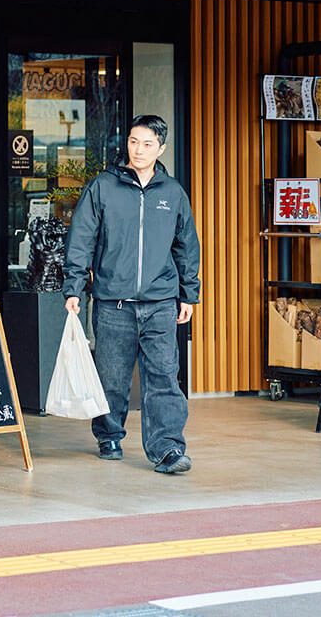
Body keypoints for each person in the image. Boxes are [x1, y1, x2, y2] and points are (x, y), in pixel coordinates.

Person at [62, 115, 201, 475]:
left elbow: (187, 246)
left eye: (148, 144)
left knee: (164, 378)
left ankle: (167, 448)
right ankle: (108, 435)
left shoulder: (172, 193)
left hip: (160, 303)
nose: (139, 150)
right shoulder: (102, 187)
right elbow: (81, 239)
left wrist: (189, 295)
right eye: (134, 142)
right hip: (113, 302)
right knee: (112, 377)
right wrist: (74, 287)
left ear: (161, 149)